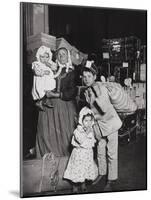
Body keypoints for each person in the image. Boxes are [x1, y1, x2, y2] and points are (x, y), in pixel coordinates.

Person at [81, 61, 122, 191]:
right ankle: (102, 173)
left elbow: (103, 108)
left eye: (89, 76)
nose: (86, 79)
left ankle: (112, 179)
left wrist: (97, 92)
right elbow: (92, 110)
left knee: (111, 152)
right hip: (99, 125)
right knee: (100, 151)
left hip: (110, 123)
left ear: (95, 77)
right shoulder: (87, 91)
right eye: (84, 76)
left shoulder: (99, 87)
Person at [34, 47, 78, 157]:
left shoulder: (71, 72)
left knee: (65, 133)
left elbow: (73, 91)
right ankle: (49, 158)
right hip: (50, 105)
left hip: (64, 106)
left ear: (67, 56)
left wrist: (56, 95)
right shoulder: (50, 68)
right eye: (58, 54)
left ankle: (65, 159)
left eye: (63, 54)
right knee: (47, 132)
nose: (61, 56)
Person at [63, 107, 98, 193]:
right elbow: (81, 140)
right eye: (86, 121)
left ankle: (83, 184)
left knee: (84, 169)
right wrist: (87, 132)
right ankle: (74, 186)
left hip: (87, 155)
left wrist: (92, 133)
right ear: (81, 121)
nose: (89, 123)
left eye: (90, 121)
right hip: (79, 155)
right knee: (77, 170)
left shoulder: (91, 130)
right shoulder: (77, 131)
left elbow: (93, 141)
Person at [32, 45, 64, 111]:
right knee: (42, 91)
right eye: (42, 57)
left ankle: (45, 101)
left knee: (49, 90)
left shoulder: (49, 64)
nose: (45, 59)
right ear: (39, 57)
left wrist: (58, 66)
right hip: (41, 81)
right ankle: (39, 102)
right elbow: (36, 72)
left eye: (47, 57)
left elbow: (55, 69)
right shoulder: (37, 64)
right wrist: (43, 72)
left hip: (48, 82)